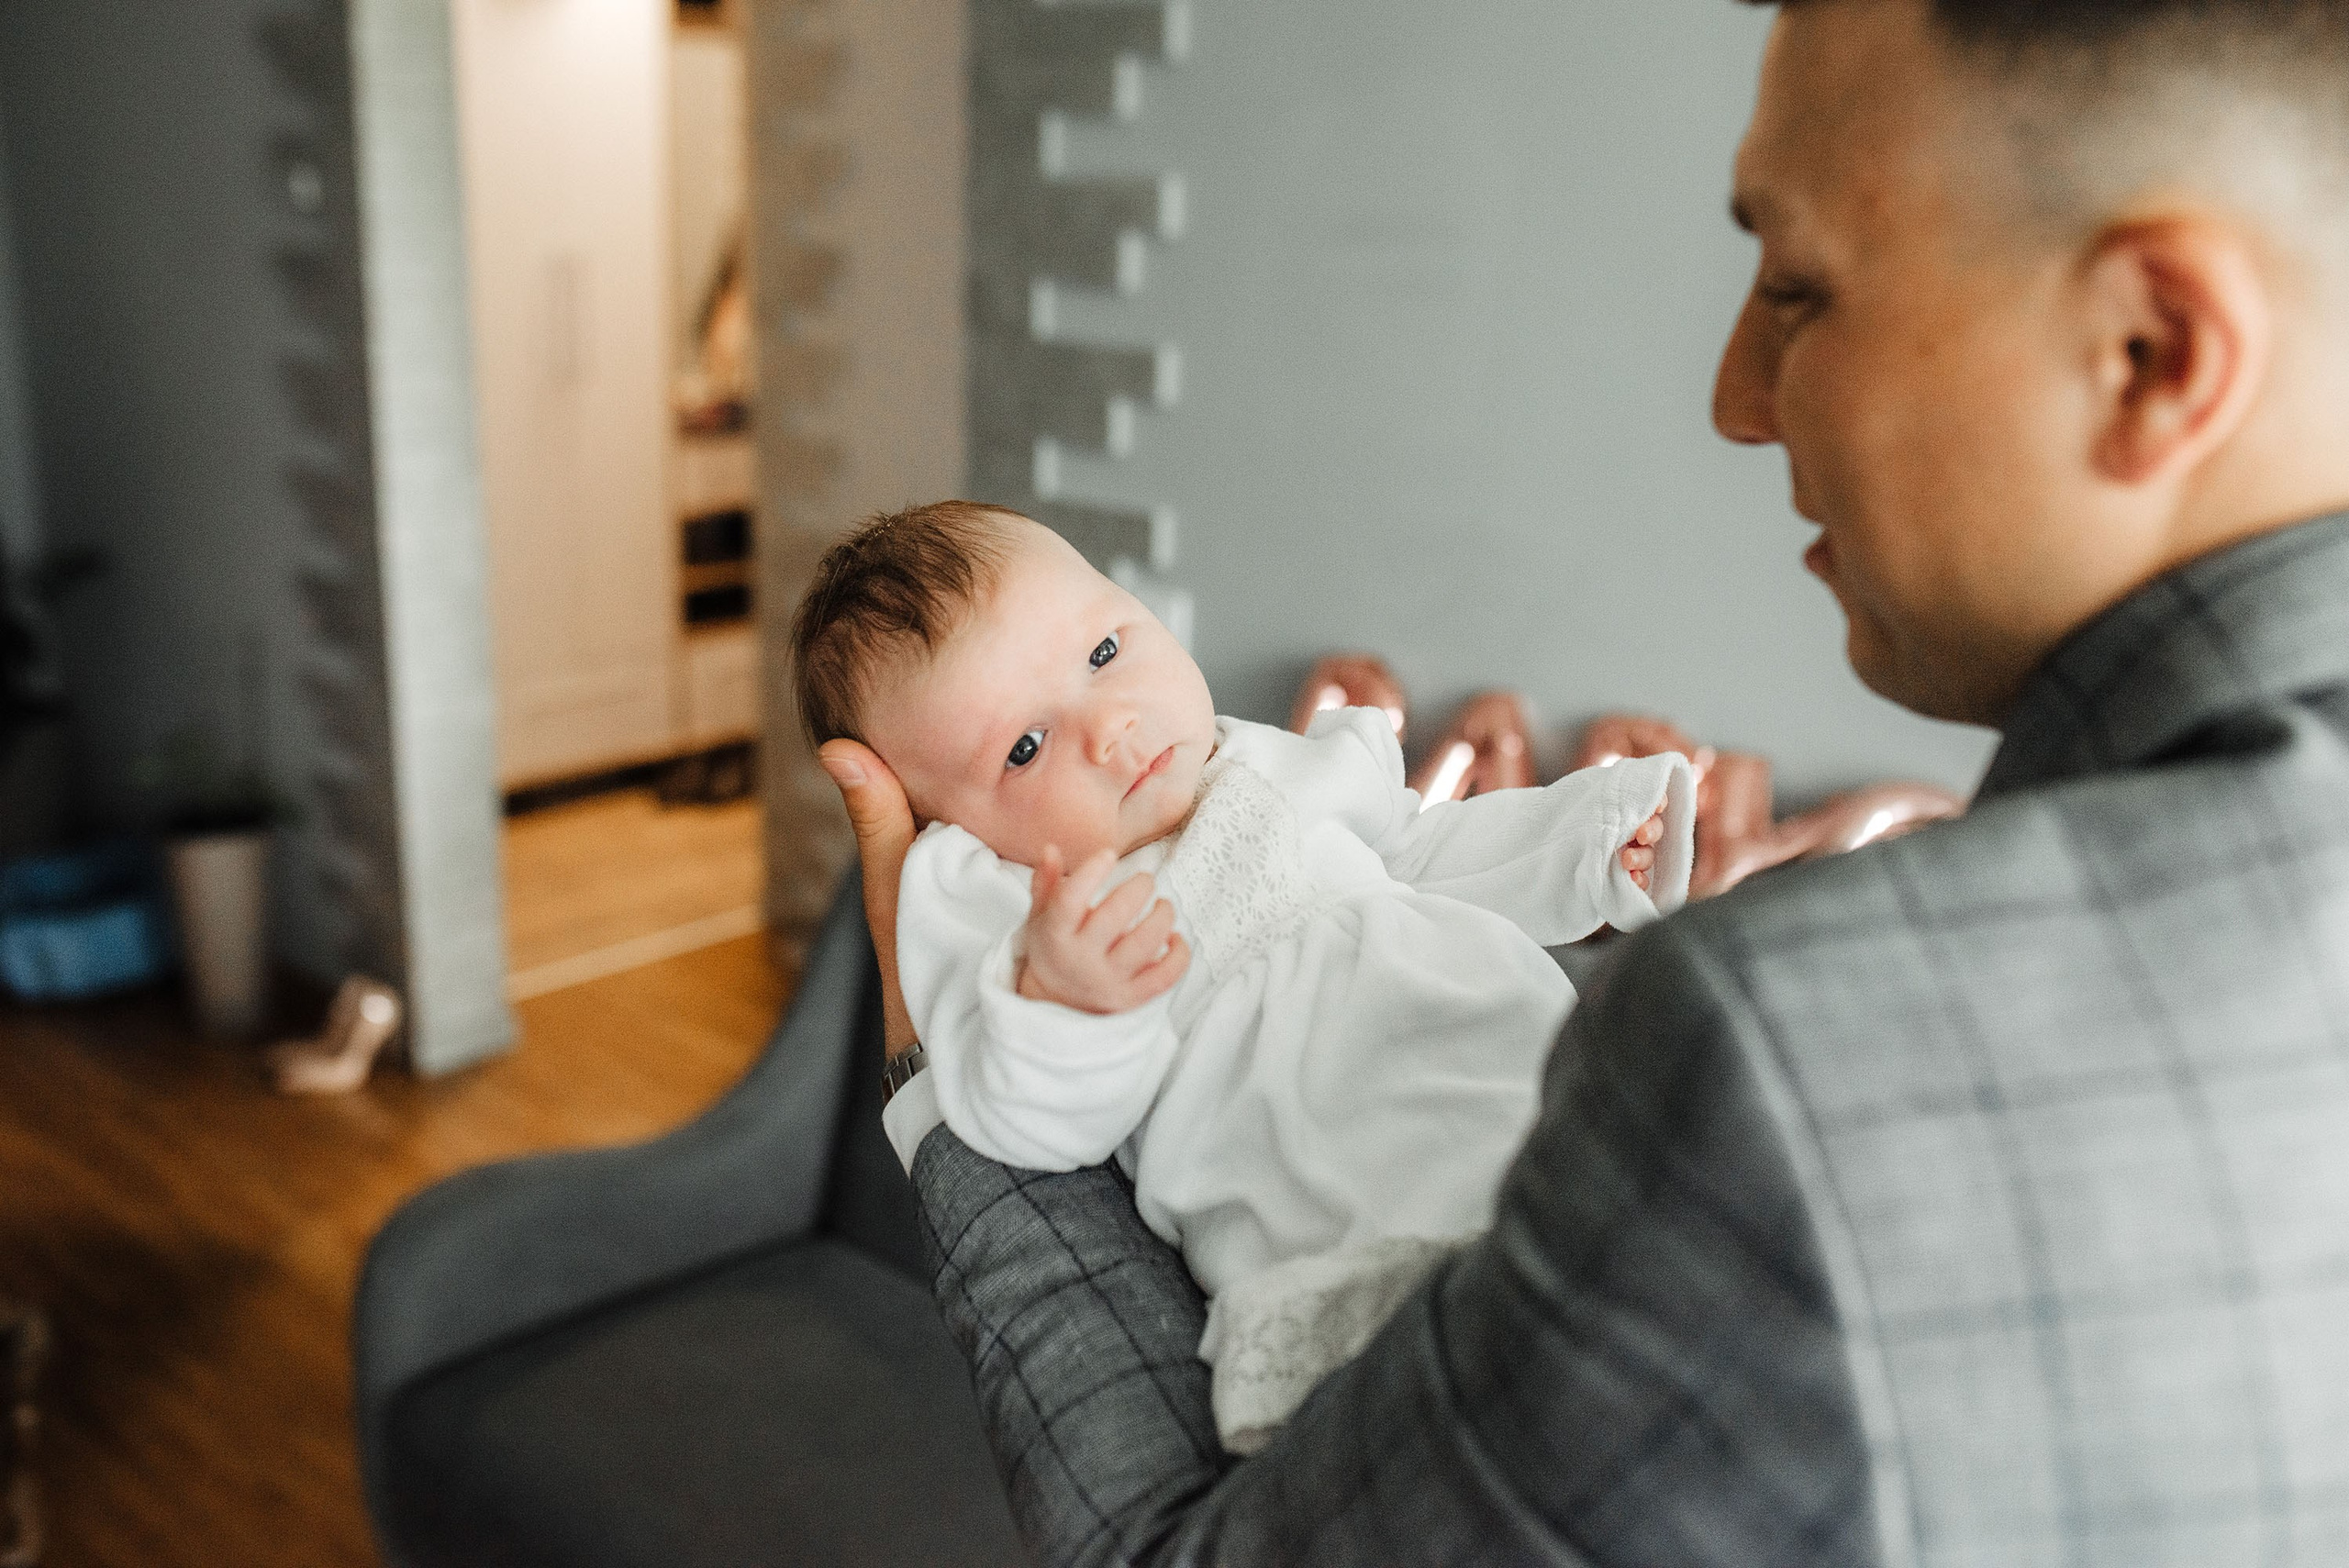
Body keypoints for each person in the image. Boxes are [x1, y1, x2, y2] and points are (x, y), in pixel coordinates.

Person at [815, 0, 2349, 1559]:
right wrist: (1029, 1023)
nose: (1734, 396)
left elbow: (1417, 851)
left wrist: (932, 1070)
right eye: (1018, 743)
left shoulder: (1793, 1051)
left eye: (1799, 288)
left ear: (2154, 348)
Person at [790, 503, 1690, 1454]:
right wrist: (1066, 1004)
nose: (1111, 729)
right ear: (948, 834)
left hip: (1550, 1110)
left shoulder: (1262, 762)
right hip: (1359, 1235)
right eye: (1023, 747)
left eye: (1103, 652)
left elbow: (1420, 850)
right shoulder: (1021, 915)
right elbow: (1021, 1124)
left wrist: (1585, 847)